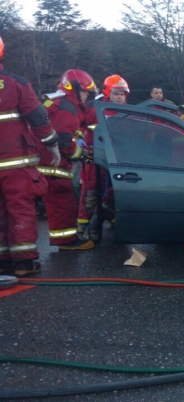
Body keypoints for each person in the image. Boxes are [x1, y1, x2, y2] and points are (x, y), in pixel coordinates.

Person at [0, 35, 60, 277]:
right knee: (20, 208)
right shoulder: (15, 83)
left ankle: (2, 262)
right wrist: (53, 145)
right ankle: (24, 263)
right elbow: (38, 118)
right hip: (16, 164)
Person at [39, 69, 96, 251]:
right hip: (53, 165)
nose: (87, 95)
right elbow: (64, 141)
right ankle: (66, 242)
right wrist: (81, 154)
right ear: (74, 88)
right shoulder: (67, 106)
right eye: (85, 91)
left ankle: (64, 240)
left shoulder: (59, 103)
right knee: (62, 202)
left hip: (44, 162)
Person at [78, 74, 128, 242]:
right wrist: (80, 142)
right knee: (90, 193)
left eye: (122, 94)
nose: (120, 97)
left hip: (116, 159)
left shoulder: (127, 111)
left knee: (113, 193)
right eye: (116, 93)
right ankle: (82, 231)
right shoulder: (95, 108)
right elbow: (78, 125)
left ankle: (103, 224)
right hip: (94, 157)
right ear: (108, 93)